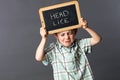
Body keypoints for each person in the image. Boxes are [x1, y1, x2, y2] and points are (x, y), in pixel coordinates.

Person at [35, 18, 102, 80]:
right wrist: (44, 38)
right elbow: (38, 57)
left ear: (75, 33)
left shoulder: (80, 44)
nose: (67, 37)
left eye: (69, 33)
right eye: (62, 35)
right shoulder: (54, 50)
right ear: (56, 36)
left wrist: (86, 27)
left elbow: (97, 39)